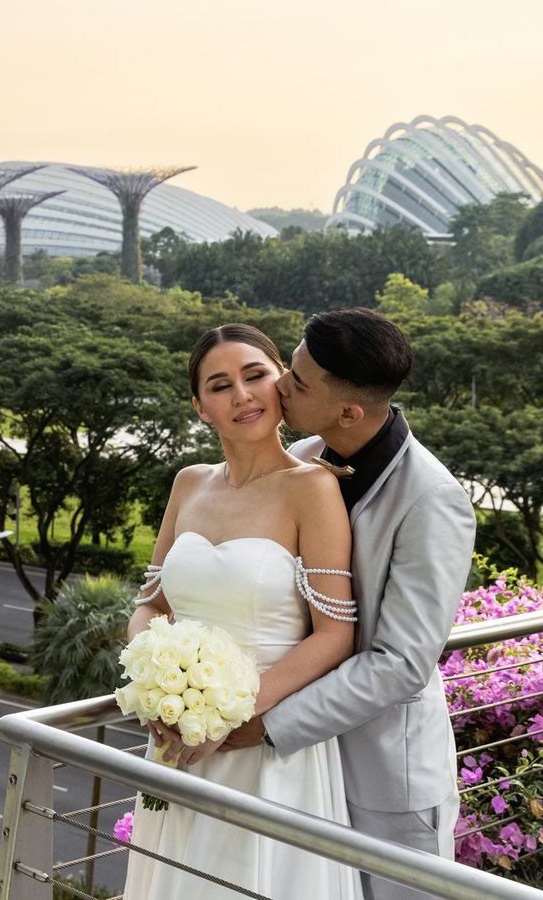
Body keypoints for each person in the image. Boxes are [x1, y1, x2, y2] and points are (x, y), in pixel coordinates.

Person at [217, 307, 476, 900]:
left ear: (349, 411)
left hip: (382, 776)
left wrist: (268, 725)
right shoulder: (303, 459)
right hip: (300, 772)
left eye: (299, 383)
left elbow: (402, 662)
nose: (279, 384)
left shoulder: (433, 500)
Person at [122, 323, 363, 900]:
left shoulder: (312, 488)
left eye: (255, 375)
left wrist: (230, 716)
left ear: (281, 381)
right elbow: (150, 604)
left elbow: (335, 634)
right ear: (201, 408)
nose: (242, 396)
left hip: (261, 741)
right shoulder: (188, 485)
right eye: (220, 385)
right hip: (178, 737)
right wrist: (156, 682)